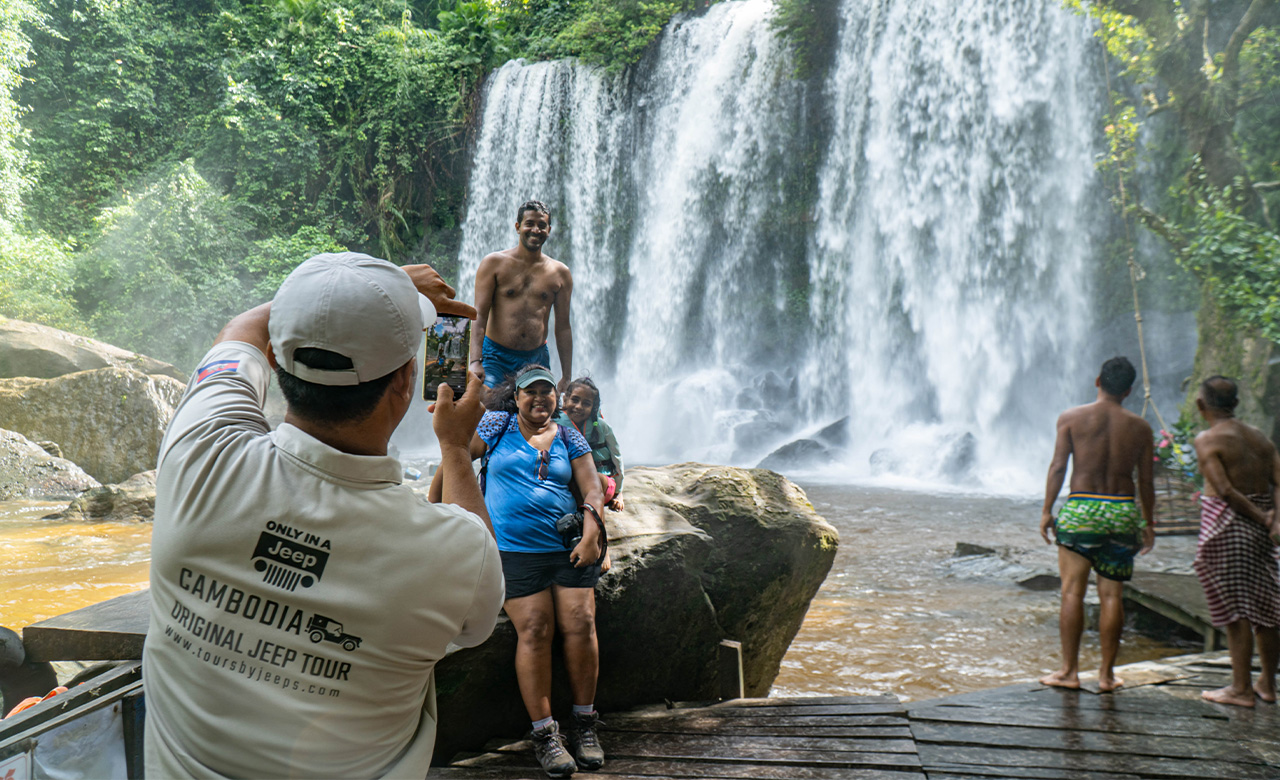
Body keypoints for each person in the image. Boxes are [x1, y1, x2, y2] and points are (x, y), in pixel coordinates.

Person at [143, 253, 505, 778]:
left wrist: (366, 293)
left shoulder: (199, 452)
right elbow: (480, 614)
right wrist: (454, 447)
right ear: (407, 380)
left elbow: (241, 329)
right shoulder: (455, 551)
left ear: (275, 359)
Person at [430, 364, 605, 778]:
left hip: (566, 548)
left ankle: (584, 724)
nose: (540, 398)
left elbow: (592, 487)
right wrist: (432, 508)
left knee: (581, 623)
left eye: (547, 391)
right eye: (531, 392)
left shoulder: (569, 434)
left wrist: (591, 534)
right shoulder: (497, 424)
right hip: (513, 552)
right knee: (536, 629)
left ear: (556, 397)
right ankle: (545, 733)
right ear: (517, 396)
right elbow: (456, 455)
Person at [1039, 356, 1155, 692]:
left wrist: (1047, 510)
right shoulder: (1141, 428)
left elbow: (1058, 467)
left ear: (1097, 381)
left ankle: (1069, 673)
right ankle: (1106, 676)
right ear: (1129, 391)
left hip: (1081, 508)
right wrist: (1148, 522)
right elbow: (1146, 481)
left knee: (1072, 592)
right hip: (1121, 511)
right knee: (1112, 596)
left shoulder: (1071, 418)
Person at [1191, 375, 1280, 707]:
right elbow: (1278, 481)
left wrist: (1260, 517)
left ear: (1201, 405)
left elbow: (1226, 491)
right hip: (1261, 532)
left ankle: (1240, 689)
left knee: (1234, 610)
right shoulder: (1260, 438)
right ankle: (1267, 684)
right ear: (1236, 404)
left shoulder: (1207, 439)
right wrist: (1273, 519)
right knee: (1266, 608)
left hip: (1229, 528)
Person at [469, 200, 574, 391]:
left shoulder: (560, 273)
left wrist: (567, 376)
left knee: (540, 407)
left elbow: (563, 327)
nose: (536, 230)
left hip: (536, 359)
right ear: (518, 227)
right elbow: (479, 315)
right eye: (529, 224)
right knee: (487, 401)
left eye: (542, 225)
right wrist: (475, 361)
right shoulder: (494, 263)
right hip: (495, 356)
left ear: (549, 230)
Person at [557, 377, 626, 512]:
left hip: (601, 482)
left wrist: (619, 492)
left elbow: (617, 457)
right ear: (565, 400)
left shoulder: (601, 426)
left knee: (592, 480)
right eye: (575, 400)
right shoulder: (555, 424)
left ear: (593, 407)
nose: (579, 406)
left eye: (586, 403)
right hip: (571, 483)